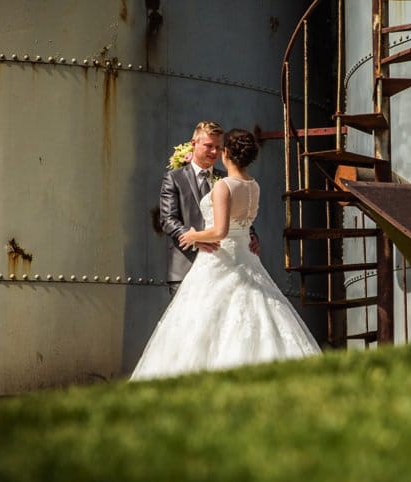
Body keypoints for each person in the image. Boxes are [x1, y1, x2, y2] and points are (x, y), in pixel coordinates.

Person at [131, 129, 321, 380]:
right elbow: (240, 224)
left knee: (203, 321)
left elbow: (220, 231)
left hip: (219, 259)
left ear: (226, 153)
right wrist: (248, 238)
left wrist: (193, 236)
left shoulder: (223, 185)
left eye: (219, 148)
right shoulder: (254, 186)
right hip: (244, 258)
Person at [159, 121, 258, 295]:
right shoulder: (174, 178)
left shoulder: (226, 180)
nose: (214, 152)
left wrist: (251, 235)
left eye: (218, 147)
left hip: (226, 267)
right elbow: (168, 219)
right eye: (209, 146)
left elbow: (238, 214)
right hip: (185, 266)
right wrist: (195, 239)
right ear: (193, 143)